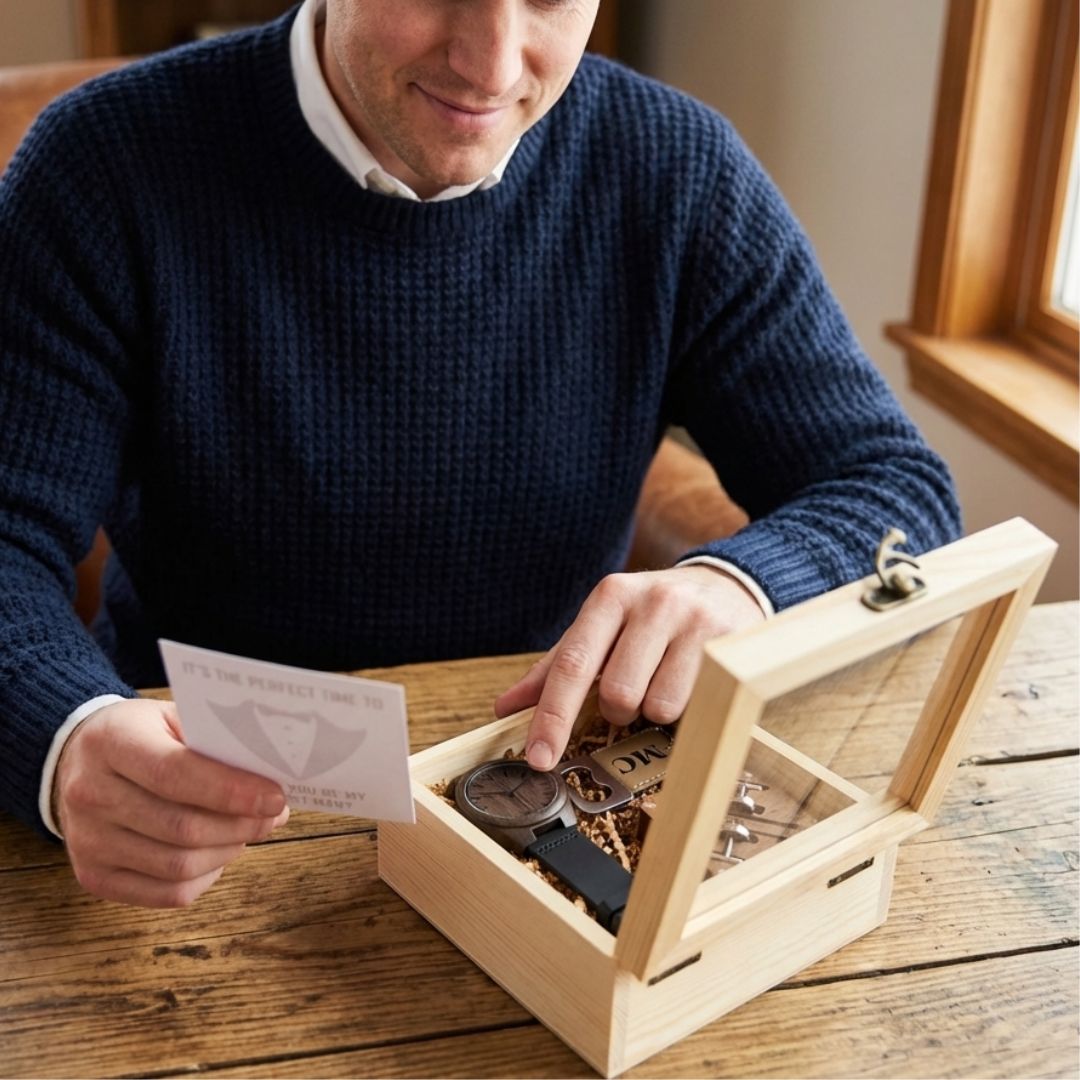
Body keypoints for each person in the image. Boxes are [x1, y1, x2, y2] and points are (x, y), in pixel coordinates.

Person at [0, 0, 960, 909]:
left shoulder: (678, 169)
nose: (492, 68)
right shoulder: (103, 162)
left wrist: (744, 585)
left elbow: (896, 489)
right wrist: (66, 734)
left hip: (545, 813)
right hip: (190, 822)